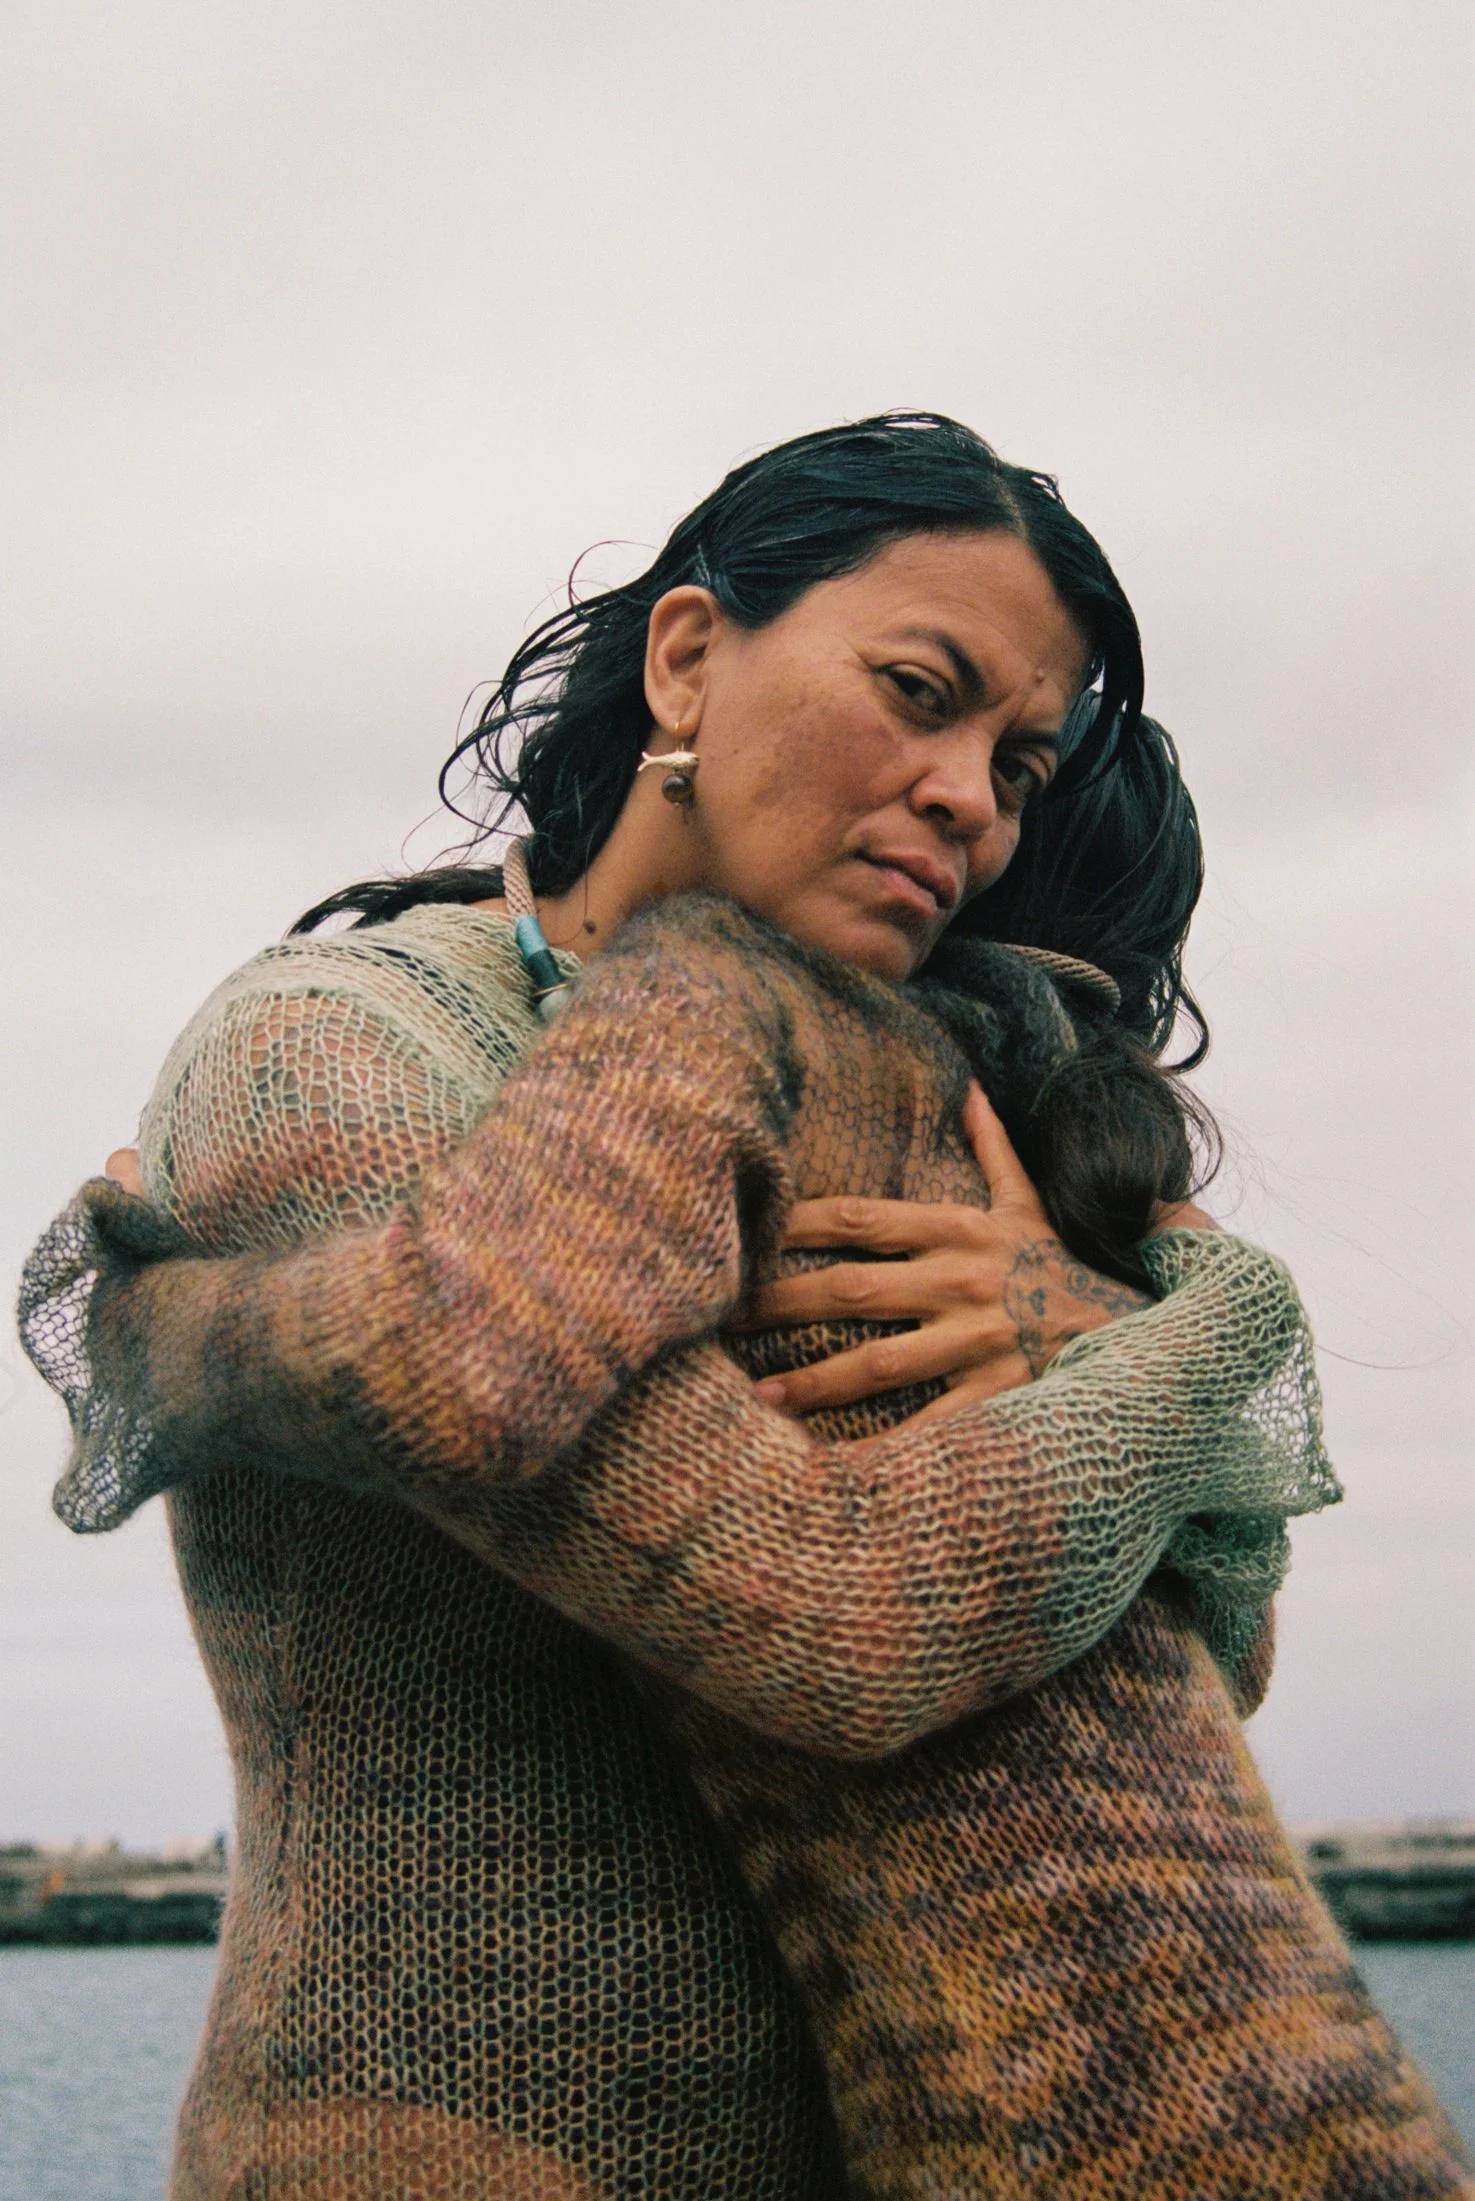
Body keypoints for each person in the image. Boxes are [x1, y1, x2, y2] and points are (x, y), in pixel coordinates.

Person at [20, 415, 1468, 2199]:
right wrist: (1207, 1354)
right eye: (918, 692)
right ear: (689, 659)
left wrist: (1119, 1333)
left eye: (1016, 765)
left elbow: (1189, 1678)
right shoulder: (339, 1050)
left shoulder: (872, 1100)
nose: (968, 801)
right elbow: (842, 1628)